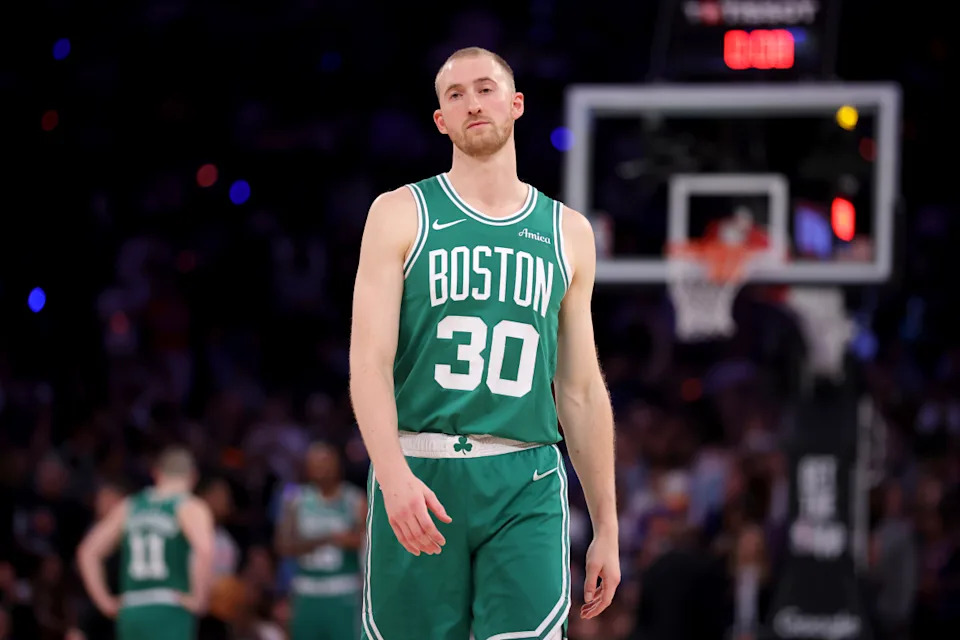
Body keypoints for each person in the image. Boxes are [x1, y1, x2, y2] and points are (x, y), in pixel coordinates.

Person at [349, 46, 619, 639]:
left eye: (486, 88)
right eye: (455, 94)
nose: (473, 103)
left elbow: (578, 389)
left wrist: (607, 523)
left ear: (516, 104)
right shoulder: (399, 213)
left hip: (527, 479)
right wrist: (392, 477)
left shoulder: (569, 232)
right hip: (421, 471)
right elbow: (368, 364)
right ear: (441, 119)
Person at [76, 447, 215, 640]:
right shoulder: (190, 506)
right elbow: (204, 550)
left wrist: (105, 602)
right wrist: (200, 598)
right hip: (170, 604)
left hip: (132, 607)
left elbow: (87, 551)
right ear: (193, 476)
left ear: (156, 473)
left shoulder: (130, 506)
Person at [274, 442, 366, 640]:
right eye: (314, 463)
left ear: (337, 464)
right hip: (306, 590)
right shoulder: (296, 500)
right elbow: (282, 546)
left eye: (325, 462)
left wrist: (348, 539)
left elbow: (365, 541)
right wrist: (329, 538)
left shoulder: (355, 499)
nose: (320, 468)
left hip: (344, 590)